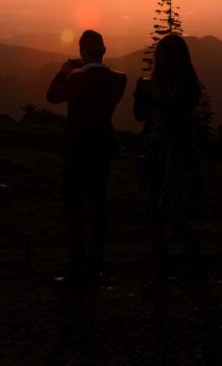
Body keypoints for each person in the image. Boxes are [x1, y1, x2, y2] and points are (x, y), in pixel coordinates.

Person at [45, 29, 127, 286]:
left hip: (77, 150)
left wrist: (64, 71)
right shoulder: (119, 79)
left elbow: (52, 96)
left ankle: (77, 266)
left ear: (81, 52)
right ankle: (96, 263)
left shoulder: (77, 78)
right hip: (101, 148)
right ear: (104, 50)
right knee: (98, 207)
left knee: (75, 209)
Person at [133, 33, 207, 297]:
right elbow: (141, 115)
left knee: (174, 216)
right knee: (155, 215)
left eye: (168, 53)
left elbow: (177, 116)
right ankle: (162, 275)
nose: (163, 58)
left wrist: (158, 98)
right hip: (155, 152)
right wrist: (143, 95)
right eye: (160, 53)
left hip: (176, 155)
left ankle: (193, 264)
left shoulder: (188, 85)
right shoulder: (155, 83)